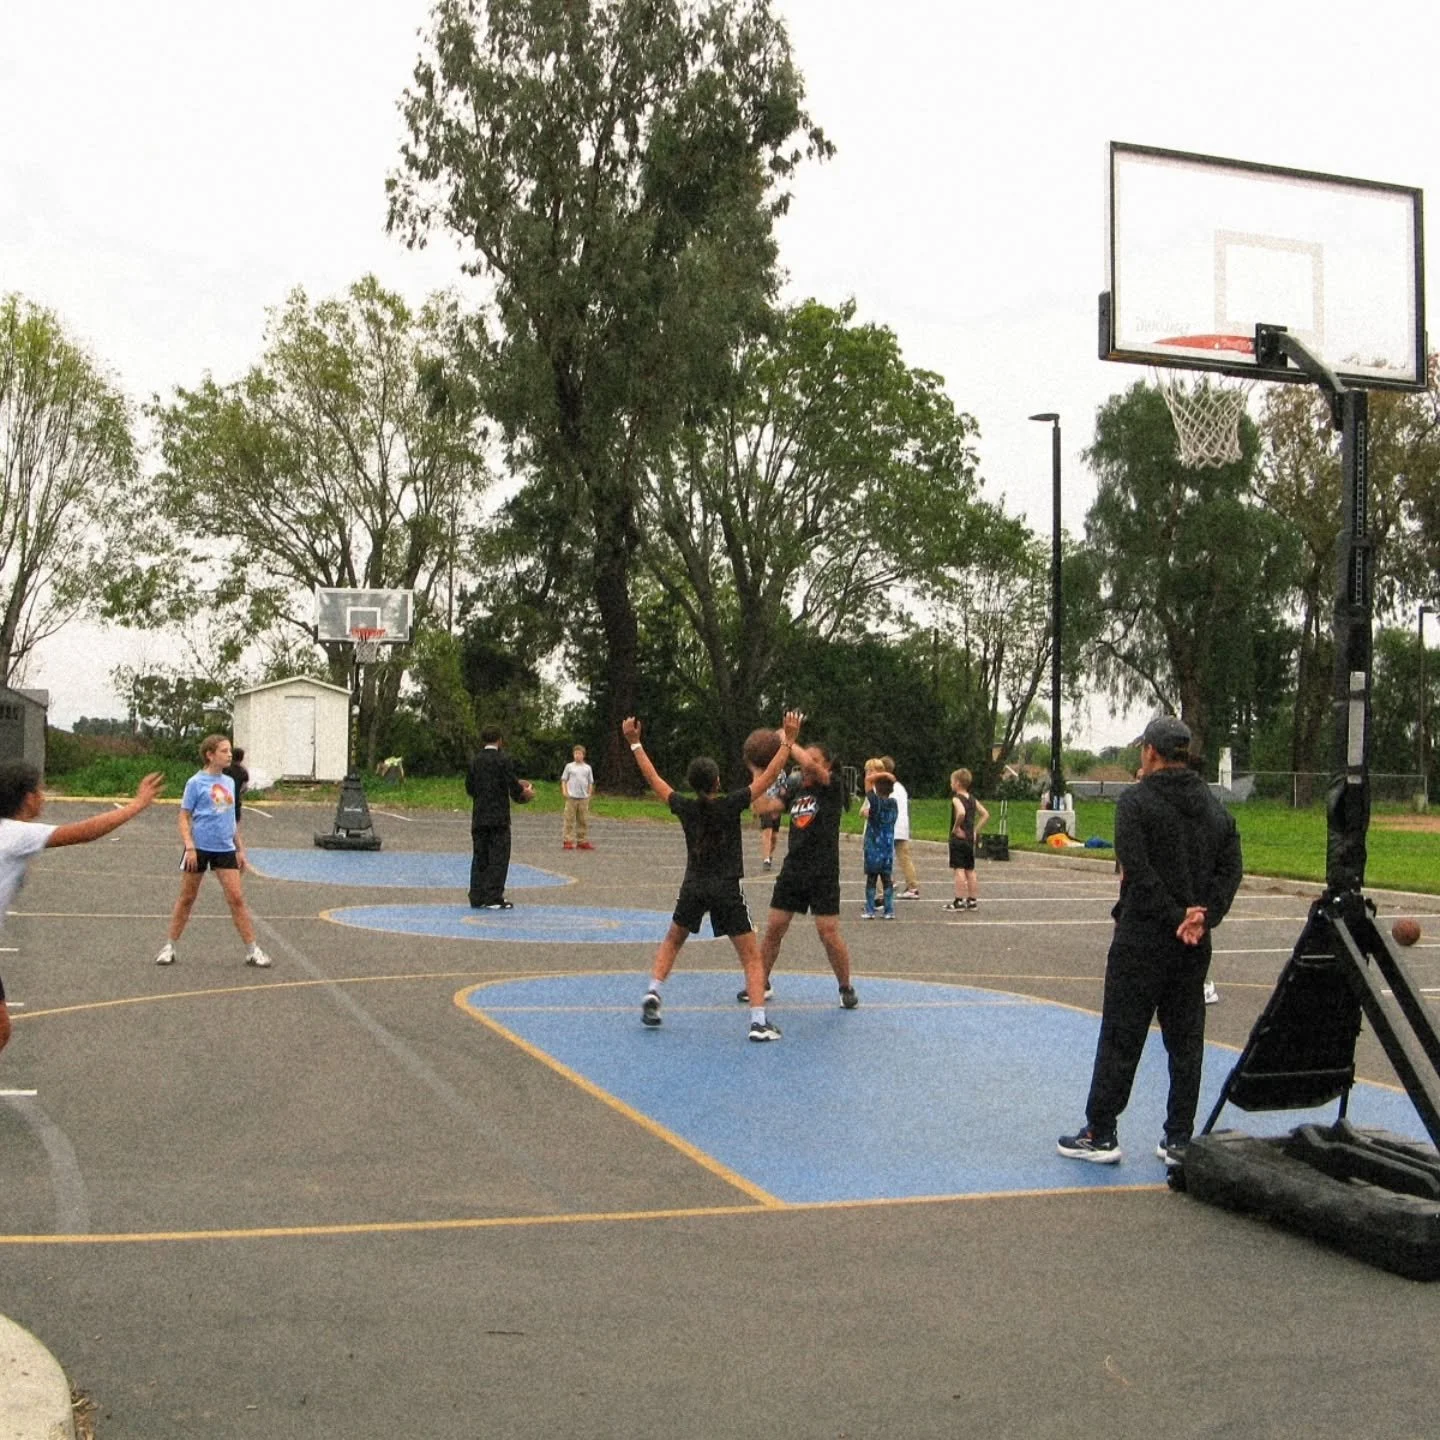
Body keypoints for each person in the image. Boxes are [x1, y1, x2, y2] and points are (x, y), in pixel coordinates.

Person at [1058, 715, 1243, 1167]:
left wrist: (1175, 916)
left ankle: (1101, 1131)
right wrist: (1204, 916)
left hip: (1143, 936)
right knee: (1186, 1040)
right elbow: (1230, 870)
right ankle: (1178, 1137)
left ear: (1150, 752)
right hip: (1192, 944)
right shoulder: (1216, 808)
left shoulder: (1136, 802)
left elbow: (1137, 871)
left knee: (1121, 1036)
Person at [626, 711, 802, 1041]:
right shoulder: (731, 804)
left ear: (691, 783)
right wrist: (788, 742)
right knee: (751, 957)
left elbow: (654, 778)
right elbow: (768, 778)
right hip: (726, 889)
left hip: (693, 885)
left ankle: (653, 990)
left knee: (672, 940)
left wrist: (635, 743)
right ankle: (758, 1022)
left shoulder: (684, 806)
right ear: (717, 782)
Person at [0, 761, 164, 1056]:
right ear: (27, 798)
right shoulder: (17, 834)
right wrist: (137, 805)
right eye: (40, 791)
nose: (44, 797)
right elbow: (85, 832)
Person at [748, 737, 859, 1009]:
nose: (806, 766)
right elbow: (762, 807)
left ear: (828, 765)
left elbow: (808, 764)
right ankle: (761, 983)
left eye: (816, 761)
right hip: (794, 869)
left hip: (823, 870)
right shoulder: (796, 789)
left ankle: (845, 986)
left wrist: (787, 740)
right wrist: (759, 772)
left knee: (828, 932)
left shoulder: (832, 786)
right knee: (775, 928)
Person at [155, 735, 270, 968]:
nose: (229, 755)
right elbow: (183, 817)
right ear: (210, 755)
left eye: (229, 751)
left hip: (225, 848)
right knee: (187, 898)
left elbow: (231, 818)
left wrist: (240, 849)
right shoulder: (195, 783)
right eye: (224, 751)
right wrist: (189, 846)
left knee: (236, 899)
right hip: (199, 848)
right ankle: (169, 946)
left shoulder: (229, 782)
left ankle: (252, 950)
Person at [466, 726, 535, 909]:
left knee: (480, 856)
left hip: (479, 816)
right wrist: (524, 792)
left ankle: (477, 895)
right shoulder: (503, 760)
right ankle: (493, 897)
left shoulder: (475, 760)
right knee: (498, 857)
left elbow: (469, 787)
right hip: (498, 817)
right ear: (499, 740)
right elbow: (512, 785)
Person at [943, 768, 989, 911]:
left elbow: (961, 812)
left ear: (957, 783)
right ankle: (972, 900)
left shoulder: (957, 798)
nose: (951, 784)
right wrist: (975, 830)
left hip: (958, 839)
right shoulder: (972, 799)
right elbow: (985, 814)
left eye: (952, 782)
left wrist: (956, 827)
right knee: (970, 869)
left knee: (959, 869)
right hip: (969, 838)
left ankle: (958, 900)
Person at [860, 771, 899, 919]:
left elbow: (867, 781)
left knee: (871, 879)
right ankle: (889, 910)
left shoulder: (876, 803)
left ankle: (870, 910)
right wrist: (888, 776)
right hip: (887, 846)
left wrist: (881, 774)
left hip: (873, 846)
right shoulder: (893, 804)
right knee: (886, 879)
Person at [881, 755, 920, 898]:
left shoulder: (885, 787)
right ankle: (912, 887)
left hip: (890, 825)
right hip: (902, 827)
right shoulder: (900, 787)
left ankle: (889, 882)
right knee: (904, 858)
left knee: (883, 856)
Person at [559, 744, 595, 851]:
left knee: (583, 820)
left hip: (583, 797)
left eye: (579, 754)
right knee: (569, 819)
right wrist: (565, 791)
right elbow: (564, 780)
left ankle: (582, 841)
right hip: (571, 797)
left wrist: (589, 794)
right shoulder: (569, 766)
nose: (577, 756)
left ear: (583, 755)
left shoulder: (587, 768)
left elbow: (590, 782)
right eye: (575, 754)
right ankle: (568, 840)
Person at [223, 745, 249, 827]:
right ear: (242, 758)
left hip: (223, 801)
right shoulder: (243, 771)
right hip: (236, 802)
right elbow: (244, 788)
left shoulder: (225, 768)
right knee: (234, 825)